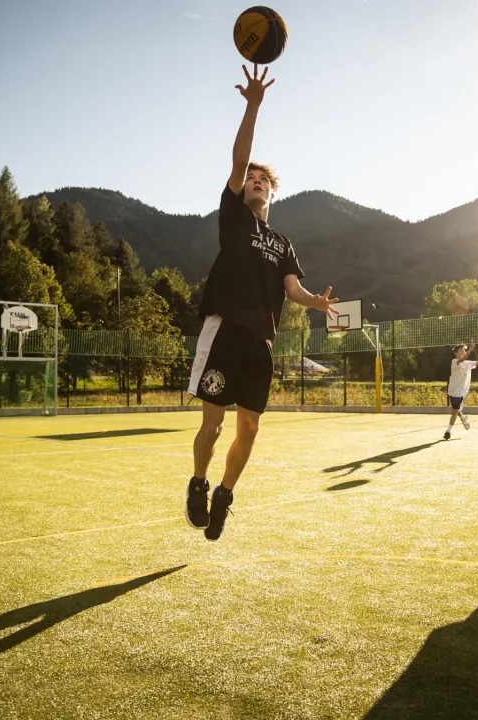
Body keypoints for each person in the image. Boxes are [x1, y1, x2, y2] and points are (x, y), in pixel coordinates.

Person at [185, 64, 339, 541]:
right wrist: (253, 105)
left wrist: (316, 302)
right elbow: (238, 158)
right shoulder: (234, 218)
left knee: (249, 430)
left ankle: (224, 495)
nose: (253, 180)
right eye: (249, 177)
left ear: (272, 191)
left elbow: (292, 290)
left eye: (261, 179)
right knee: (212, 425)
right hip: (225, 331)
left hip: (261, 343)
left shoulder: (282, 242)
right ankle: (198, 482)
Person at [443, 339, 478, 439]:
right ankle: (464, 419)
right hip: (452, 391)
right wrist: (471, 348)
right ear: (455, 353)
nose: (462, 351)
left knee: (454, 411)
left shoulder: (468, 363)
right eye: (460, 350)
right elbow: (462, 360)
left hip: (460, 393)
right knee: (457, 410)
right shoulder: (454, 361)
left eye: (463, 349)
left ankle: (448, 431)